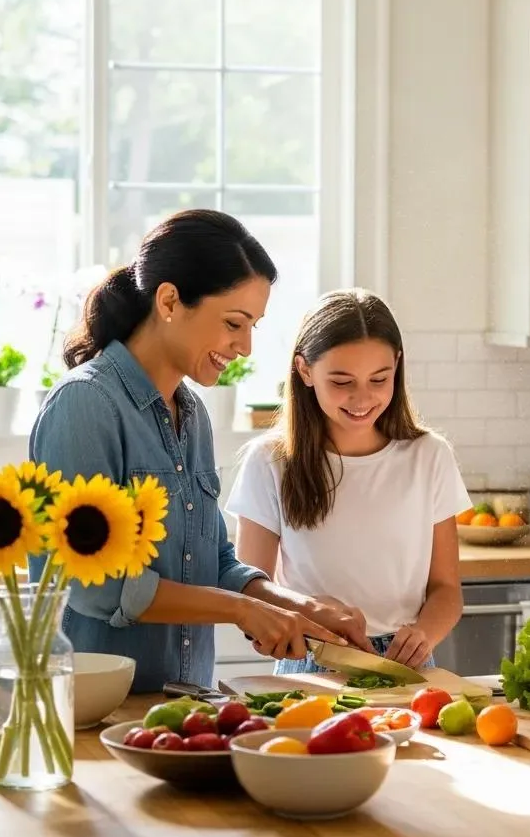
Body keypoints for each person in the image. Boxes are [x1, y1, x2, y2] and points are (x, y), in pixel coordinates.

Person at [29, 210, 369, 693]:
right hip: (89, 710)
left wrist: (299, 606)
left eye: (253, 326)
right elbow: (95, 584)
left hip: (180, 702)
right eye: (234, 322)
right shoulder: (86, 404)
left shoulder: (192, 415)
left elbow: (213, 560)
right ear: (169, 300)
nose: (246, 347)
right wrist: (242, 611)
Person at [225, 289, 471, 672]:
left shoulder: (429, 456)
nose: (362, 398)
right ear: (305, 370)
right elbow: (249, 588)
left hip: (404, 663)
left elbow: (446, 590)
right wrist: (303, 615)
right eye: (342, 381)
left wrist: (424, 633)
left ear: (398, 366)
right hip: (313, 655)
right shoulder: (269, 462)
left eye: (379, 379)